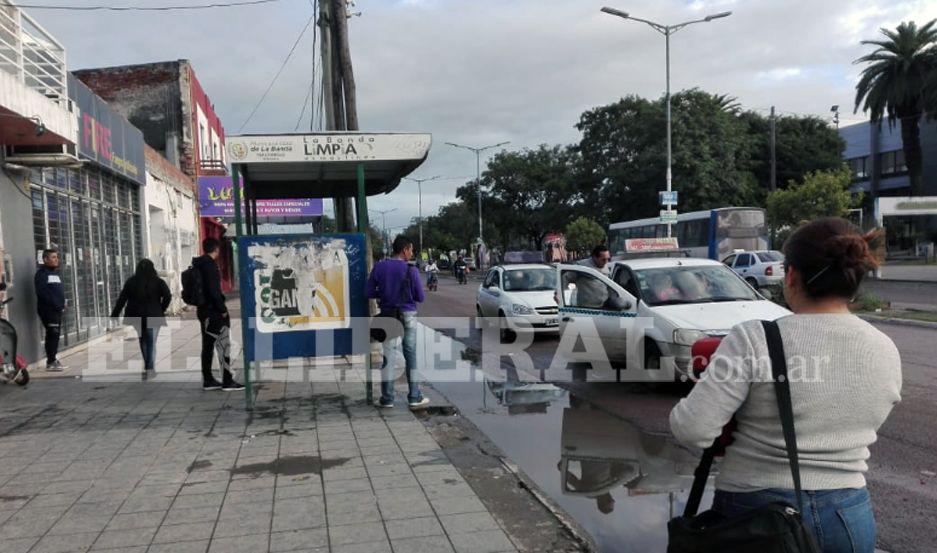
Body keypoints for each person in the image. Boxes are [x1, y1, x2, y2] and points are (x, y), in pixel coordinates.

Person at [669, 218, 901, 553]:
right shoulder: (884, 348)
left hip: (755, 516)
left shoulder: (754, 338)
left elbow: (692, 429)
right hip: (849, 516)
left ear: (791, 276)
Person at [366, 235, 429, 410]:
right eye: (411, 250)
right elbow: (420, 297)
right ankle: (414, 397)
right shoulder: (412, 270)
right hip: (408, 314)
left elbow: (369, 291)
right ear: (404, 250)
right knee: (411, 356)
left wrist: (385, 294)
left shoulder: (380, 267)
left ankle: (387, 399)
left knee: (389, 357)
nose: (412, 253)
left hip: (388, 315)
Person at [192, 238, 243, 391]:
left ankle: (208, 380)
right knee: (224, 345)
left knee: (207, 346)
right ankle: (227, 381)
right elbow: (214, 292)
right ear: (216, 250)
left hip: (203, 311)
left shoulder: (198, 264)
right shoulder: (210, 266)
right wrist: (222, 310)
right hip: (214, 312)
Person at [111, 259, 172, 375]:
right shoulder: (158, 281)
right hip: (154, 315)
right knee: (151, 341)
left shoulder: (131, 282)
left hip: (136, 316)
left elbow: (122, 299)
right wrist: (161, 308)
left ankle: (148, 366)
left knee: (143, 340)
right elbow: (168, 296)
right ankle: (150, 368)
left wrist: (115, 314)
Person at [34, 248, 67, 371]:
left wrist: (63, 302)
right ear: (45, 259)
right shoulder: (41, 274)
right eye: (53, 257)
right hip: (48, 310)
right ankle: (51, 362)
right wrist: (56, 304)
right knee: (52, 334)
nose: (56, 259)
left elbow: (57, 291)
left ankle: (53, 359)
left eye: (56, 257)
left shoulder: (55, 274)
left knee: (55, 334)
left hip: (57, 310)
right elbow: (42, 293)